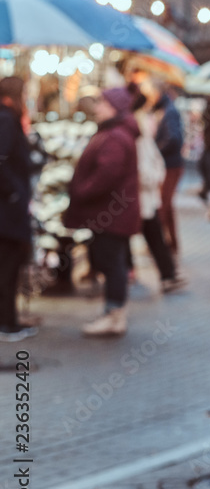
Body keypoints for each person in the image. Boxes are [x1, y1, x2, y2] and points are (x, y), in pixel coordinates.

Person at [63, 87, 141, 337]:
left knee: (112, 262)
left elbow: (107, 175)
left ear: (114, 107)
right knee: (110, 260)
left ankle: (114, 315)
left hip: (113, 214)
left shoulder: (116, 136)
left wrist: (81, 190)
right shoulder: (115, 133)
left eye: (102, 103)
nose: (97, 108)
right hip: (112, 213)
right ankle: (113, 313)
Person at [129, 83, 185, 293]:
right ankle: (167, 267)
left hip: (163, 170)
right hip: (156, 176)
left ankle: (167, 260)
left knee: (162, 210)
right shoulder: (157, 113)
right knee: (158, 215)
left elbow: (172, 139)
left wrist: (159, 150)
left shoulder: (166, 113)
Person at [0, 77, 38, 342]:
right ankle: (7, 322)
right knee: (8, 266)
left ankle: (8, 320)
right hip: (6, 211)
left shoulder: (8, 118)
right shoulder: (5, 119)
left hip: (9, 207)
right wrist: (12, 193)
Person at [152, 83, 184, 255]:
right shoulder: (166, 109)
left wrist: (157, 150)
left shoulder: (169, 111)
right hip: (171, 164)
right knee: (167, 205)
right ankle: (172, 244)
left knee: (163, 205)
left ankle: (161, 247)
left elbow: (173, 138)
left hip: (170, 165)